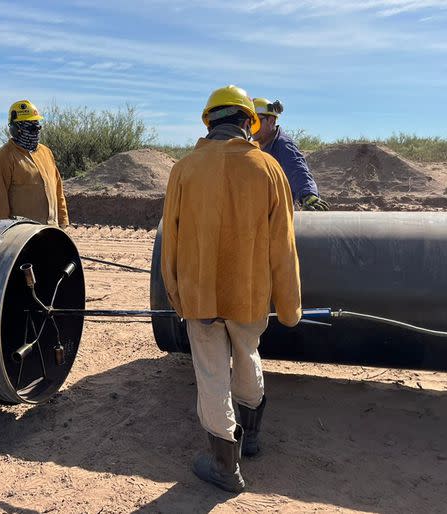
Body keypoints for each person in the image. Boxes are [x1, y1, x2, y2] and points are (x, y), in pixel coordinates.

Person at [161, 85, 302, 493]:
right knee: (247, 356)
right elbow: (284, 246)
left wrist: (176, 296)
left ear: (210, 122)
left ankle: (225, 467)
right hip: (250, 297)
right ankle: (252, 438)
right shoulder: (269, 170)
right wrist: (290, 307)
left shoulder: (184, 169)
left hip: (200, 297)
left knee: (211, 376)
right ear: (247, 122)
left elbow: (170, 240)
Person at [0, 100, 69, 227]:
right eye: (31, 127)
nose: (36, 131)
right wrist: (1, 229)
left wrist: (63, 221)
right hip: (22, 234)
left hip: (50, 231)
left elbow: (57, 188)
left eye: (38, 126)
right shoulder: (5, 156)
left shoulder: (46, 153)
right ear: (15, 129)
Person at [252, 98, 329, 211]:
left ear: (271, 121)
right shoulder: (254, 145)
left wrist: (308, 194)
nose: (251, 128)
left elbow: (297, 169)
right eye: (250, 123)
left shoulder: (283, 144)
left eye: (256, 122)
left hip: (276, 215)